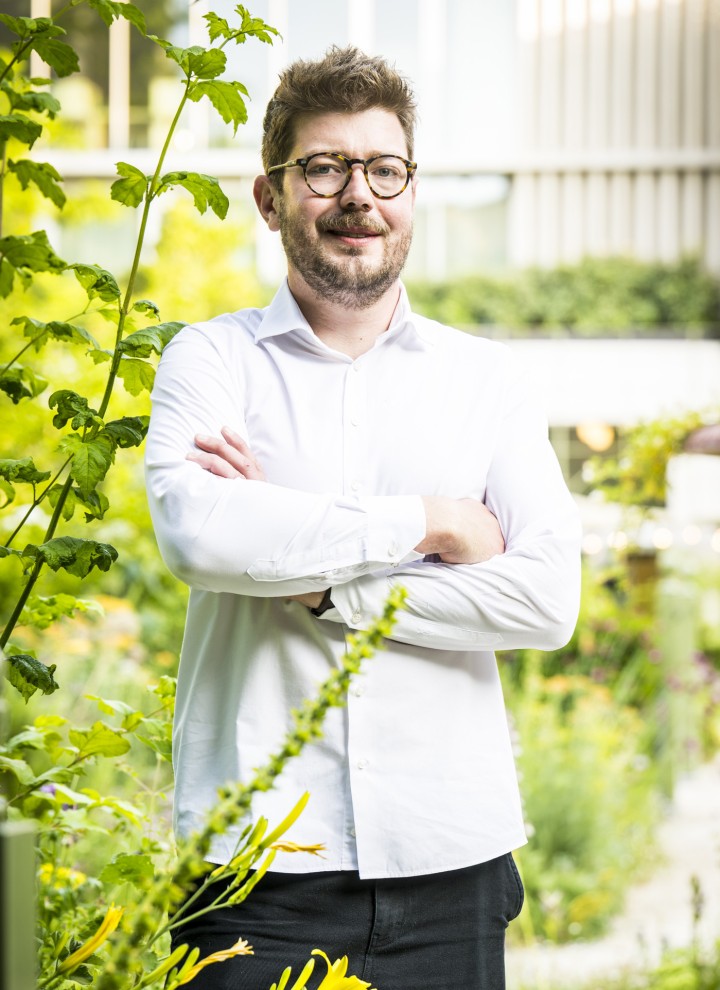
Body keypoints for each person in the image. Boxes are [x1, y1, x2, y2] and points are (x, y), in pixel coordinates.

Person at [145, 45, 581, 990]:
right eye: (324, 168)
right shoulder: (208, 361)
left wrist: (320, 585)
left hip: (452, 861)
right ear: (270, 198)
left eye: (385, 170)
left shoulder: (488, 381)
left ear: (411, 191)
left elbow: (547, 601)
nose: (359, 196)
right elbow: (198, 532)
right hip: (257, 873)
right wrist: (433, 521)